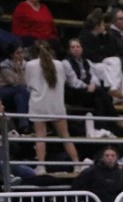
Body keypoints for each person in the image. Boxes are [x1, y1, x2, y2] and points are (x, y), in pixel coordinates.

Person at [26, 41, 80, 174]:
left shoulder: (30, 65)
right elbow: (63, 81)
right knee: (65, 136)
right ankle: (77, 164)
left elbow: (28, 84)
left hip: (39, 104)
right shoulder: (59, 64)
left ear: (34, 52)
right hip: (56, 104)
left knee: (40, 136)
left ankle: (41, 166)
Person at [63, 38, 122, 136]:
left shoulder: (87, 62)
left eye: (78, 47)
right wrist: (87, 87)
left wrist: (92, 85)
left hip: (89, 93)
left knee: (98, 100)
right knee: (101, 93)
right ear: (69, 50)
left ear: (82, 49)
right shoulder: (66, 63)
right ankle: (115, 116)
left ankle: (101, 128)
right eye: (73, 47)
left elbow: (94, 77)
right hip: (74, 93)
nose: (76, 49)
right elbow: (72, 82)